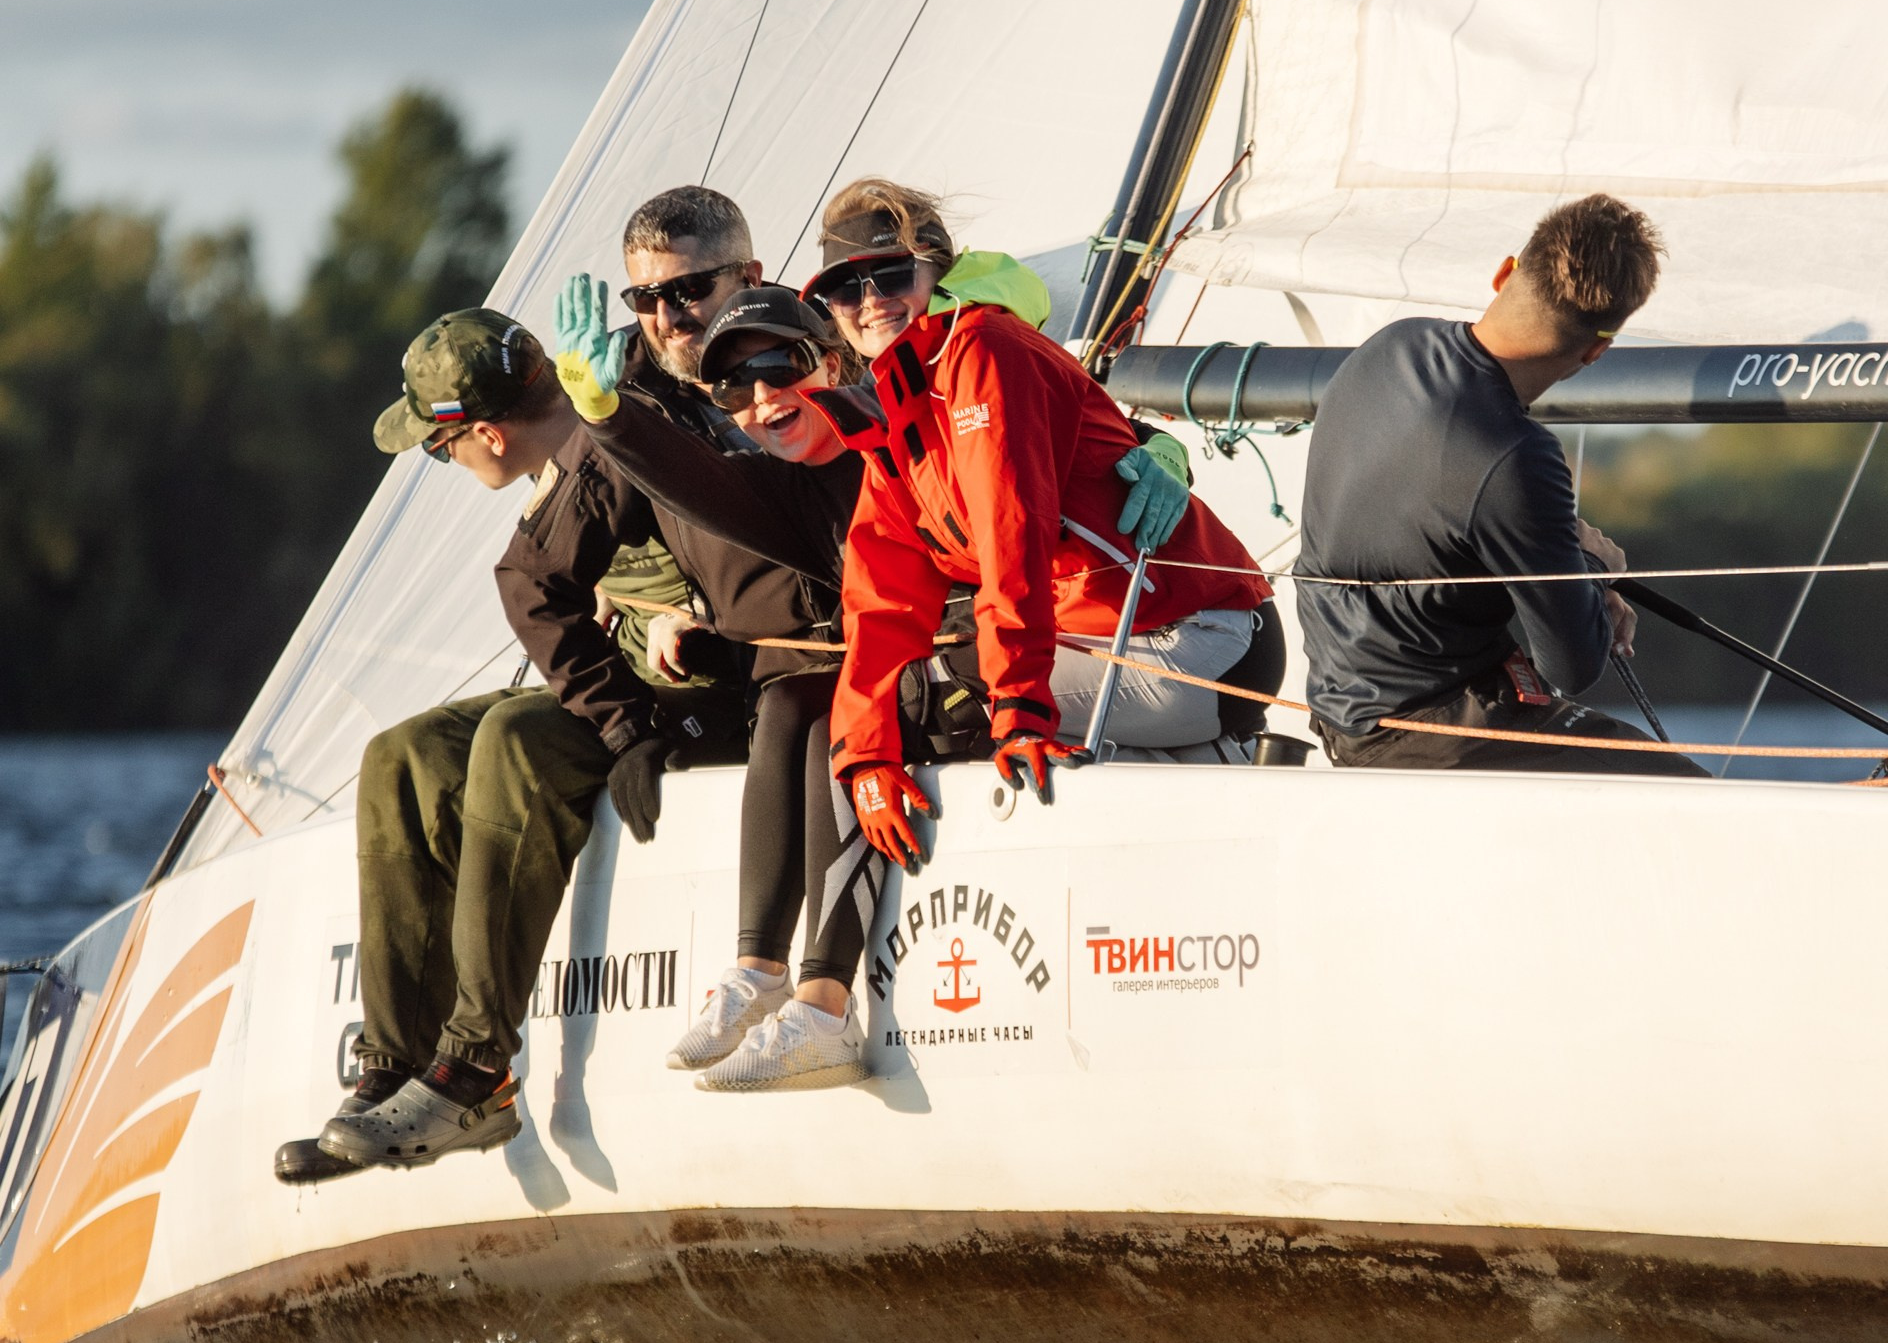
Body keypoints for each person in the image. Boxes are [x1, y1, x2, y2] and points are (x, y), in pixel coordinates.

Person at [274, 294, 750, 1184]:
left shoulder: (611, 438)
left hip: (709, 694)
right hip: (632, 680)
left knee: (515, 738)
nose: (440, 459)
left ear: (487, 434)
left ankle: (473, 1070)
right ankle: (392, 1068)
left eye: (436, 444)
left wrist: (639, 698)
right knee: (401, 756)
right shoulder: (563, 449)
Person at [803, 180, 1285, 872]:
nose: (870, 299)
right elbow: (881, 594)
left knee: (944, 697)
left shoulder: (984, 351)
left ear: (936, 269)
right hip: (1120, 640)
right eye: (846, 288)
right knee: (868, 727)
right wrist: (868, 755)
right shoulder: (900, 404)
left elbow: (1012, 536)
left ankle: (827, 974)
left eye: (890, 273)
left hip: (1205, 638)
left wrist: (1020, 708)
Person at [552, 274, 878, 1093]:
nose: (762, 395)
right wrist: (605, 413)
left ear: (831, 362)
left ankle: (825, 1006)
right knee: (792, 695)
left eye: (782, 366)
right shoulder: (782, 480)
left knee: (837, 702)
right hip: (863, 669)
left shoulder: (900, 430)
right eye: (736, 383)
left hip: (978, 659)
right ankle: (762, 973)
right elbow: (694, 478)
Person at [1295, 195, 1704, 775]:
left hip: (1345, 717)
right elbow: (1573, 666)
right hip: (1435, 736)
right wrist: (1593, 567)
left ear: (1504, 273)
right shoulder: (1516, 455)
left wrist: (1566, 560)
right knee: (1687, 792)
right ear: (1596, 350)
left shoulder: (1390, 345)